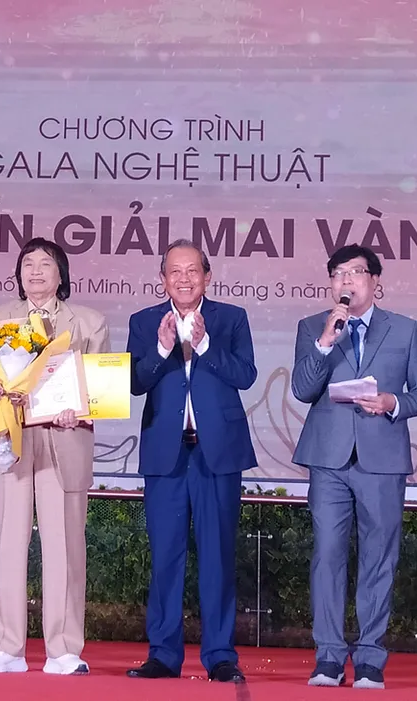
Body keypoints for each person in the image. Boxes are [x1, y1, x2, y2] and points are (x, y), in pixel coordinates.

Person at [291, 244, 417, 690]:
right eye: (338, 273)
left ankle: (371, 658)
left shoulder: (405, 330)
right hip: (328, 459)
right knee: (328, 556)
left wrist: (393, 402)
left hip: (382, 459)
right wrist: (325, 343)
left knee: (379, 558)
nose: (346, 280)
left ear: (375, 281)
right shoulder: (313, 327)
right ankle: (329, 657)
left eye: (356, 272)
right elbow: (302, 390)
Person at [0, 238, 110, 675]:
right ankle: (6, 647)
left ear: (61, 274)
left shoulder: (89, 322)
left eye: (45, 264)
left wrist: (80, 408)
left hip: (63, 439)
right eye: (27, 263)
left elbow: (99, 386)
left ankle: (63, 648)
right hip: (10, 440)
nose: (35, 271)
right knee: (5, 543)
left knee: (66, 545)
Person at [125, 239, 256, 683]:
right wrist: (162, 350)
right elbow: (134, 383)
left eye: (192, 271)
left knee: (217, 555)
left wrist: (204, 346)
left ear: (207, 276)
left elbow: (245, 375)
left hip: (217, 453)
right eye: (175, 272)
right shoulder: (144, 322)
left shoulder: (231, 318)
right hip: (166, 453)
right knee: (165, 555)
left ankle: (220, 655)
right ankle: (163, 654)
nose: (184, 279)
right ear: (162, 279)